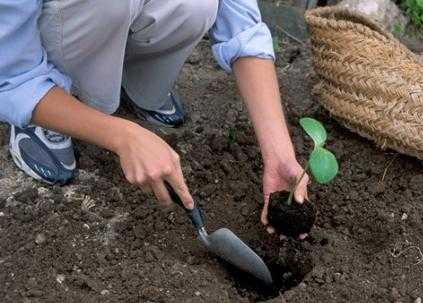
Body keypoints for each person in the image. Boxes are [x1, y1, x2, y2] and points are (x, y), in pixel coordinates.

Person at [0, 0, 309, 236]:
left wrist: (278, 152)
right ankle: (51, 108)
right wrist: (123, 136)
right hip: (44, 41)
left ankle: (140, 83)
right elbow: (11, 77)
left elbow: (241, 23)